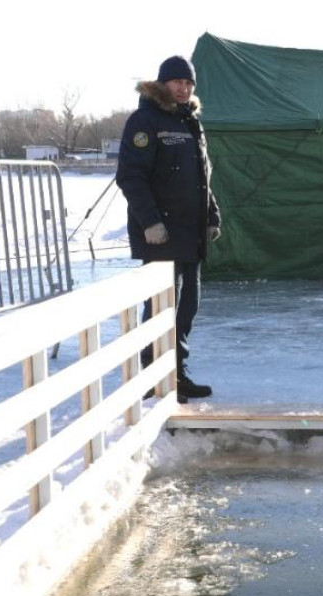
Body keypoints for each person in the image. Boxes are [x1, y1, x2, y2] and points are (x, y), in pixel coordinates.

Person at [116, 55, 222, 402]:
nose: (184, 88)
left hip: (190, 232)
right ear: (163, 83)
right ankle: (153, 374)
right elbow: (131, 176)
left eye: (189, 83)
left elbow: (202, 177)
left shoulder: (190, 122)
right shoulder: (145, 121)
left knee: (188, 304)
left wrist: (212, 215)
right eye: (178, 81)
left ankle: (177, 371)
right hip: (161, 233)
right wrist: (150, 222)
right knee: (161, 306)